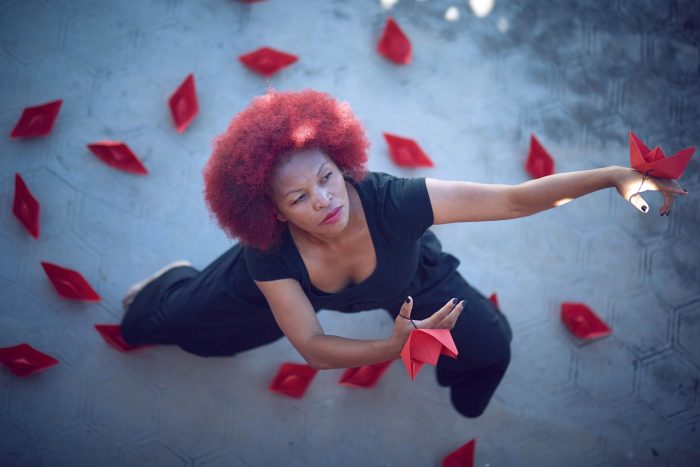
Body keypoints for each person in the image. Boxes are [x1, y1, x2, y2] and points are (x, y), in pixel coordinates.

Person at [120, 89, 687, 419]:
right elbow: (312, 345)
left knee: (491, 345)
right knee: (171, 325)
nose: (324, 201)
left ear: (342, 163)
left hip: (410, 282)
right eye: (298, 197)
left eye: (327, 177)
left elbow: (514, 201)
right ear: (275, 213)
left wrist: (611, 176)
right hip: (280, 290)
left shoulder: (395, 202)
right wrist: (390, 346)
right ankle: (172, 282)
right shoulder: (265, 251)